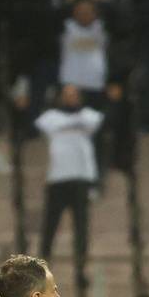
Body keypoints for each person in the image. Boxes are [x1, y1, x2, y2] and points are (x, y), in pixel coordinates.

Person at [36, 84, 102, 265]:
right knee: (51, 222)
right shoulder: (50, 118)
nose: (71, 98)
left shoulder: (90, 116)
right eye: (67, 94)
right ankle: (43, 258)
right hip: (57, 177)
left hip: (81, 177)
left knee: (81, 223)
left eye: (74, 94)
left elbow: (95, 123)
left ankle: (81, 260)